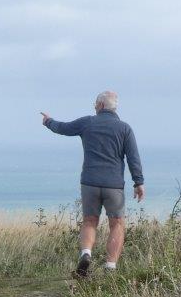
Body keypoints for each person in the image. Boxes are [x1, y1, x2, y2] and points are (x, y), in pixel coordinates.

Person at [41, 90, 144, 277]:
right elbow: (133, 158)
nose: (94, 107)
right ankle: (110, 266)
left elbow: (63, 128)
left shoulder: (87, 122)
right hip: (114, 185)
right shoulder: (125, 128)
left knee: (89, 221)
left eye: (95, 104)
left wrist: (48, 121)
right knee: (117, 224)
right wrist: (138, 182)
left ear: (101, 105)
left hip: (89, 182)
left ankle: (86, 253)